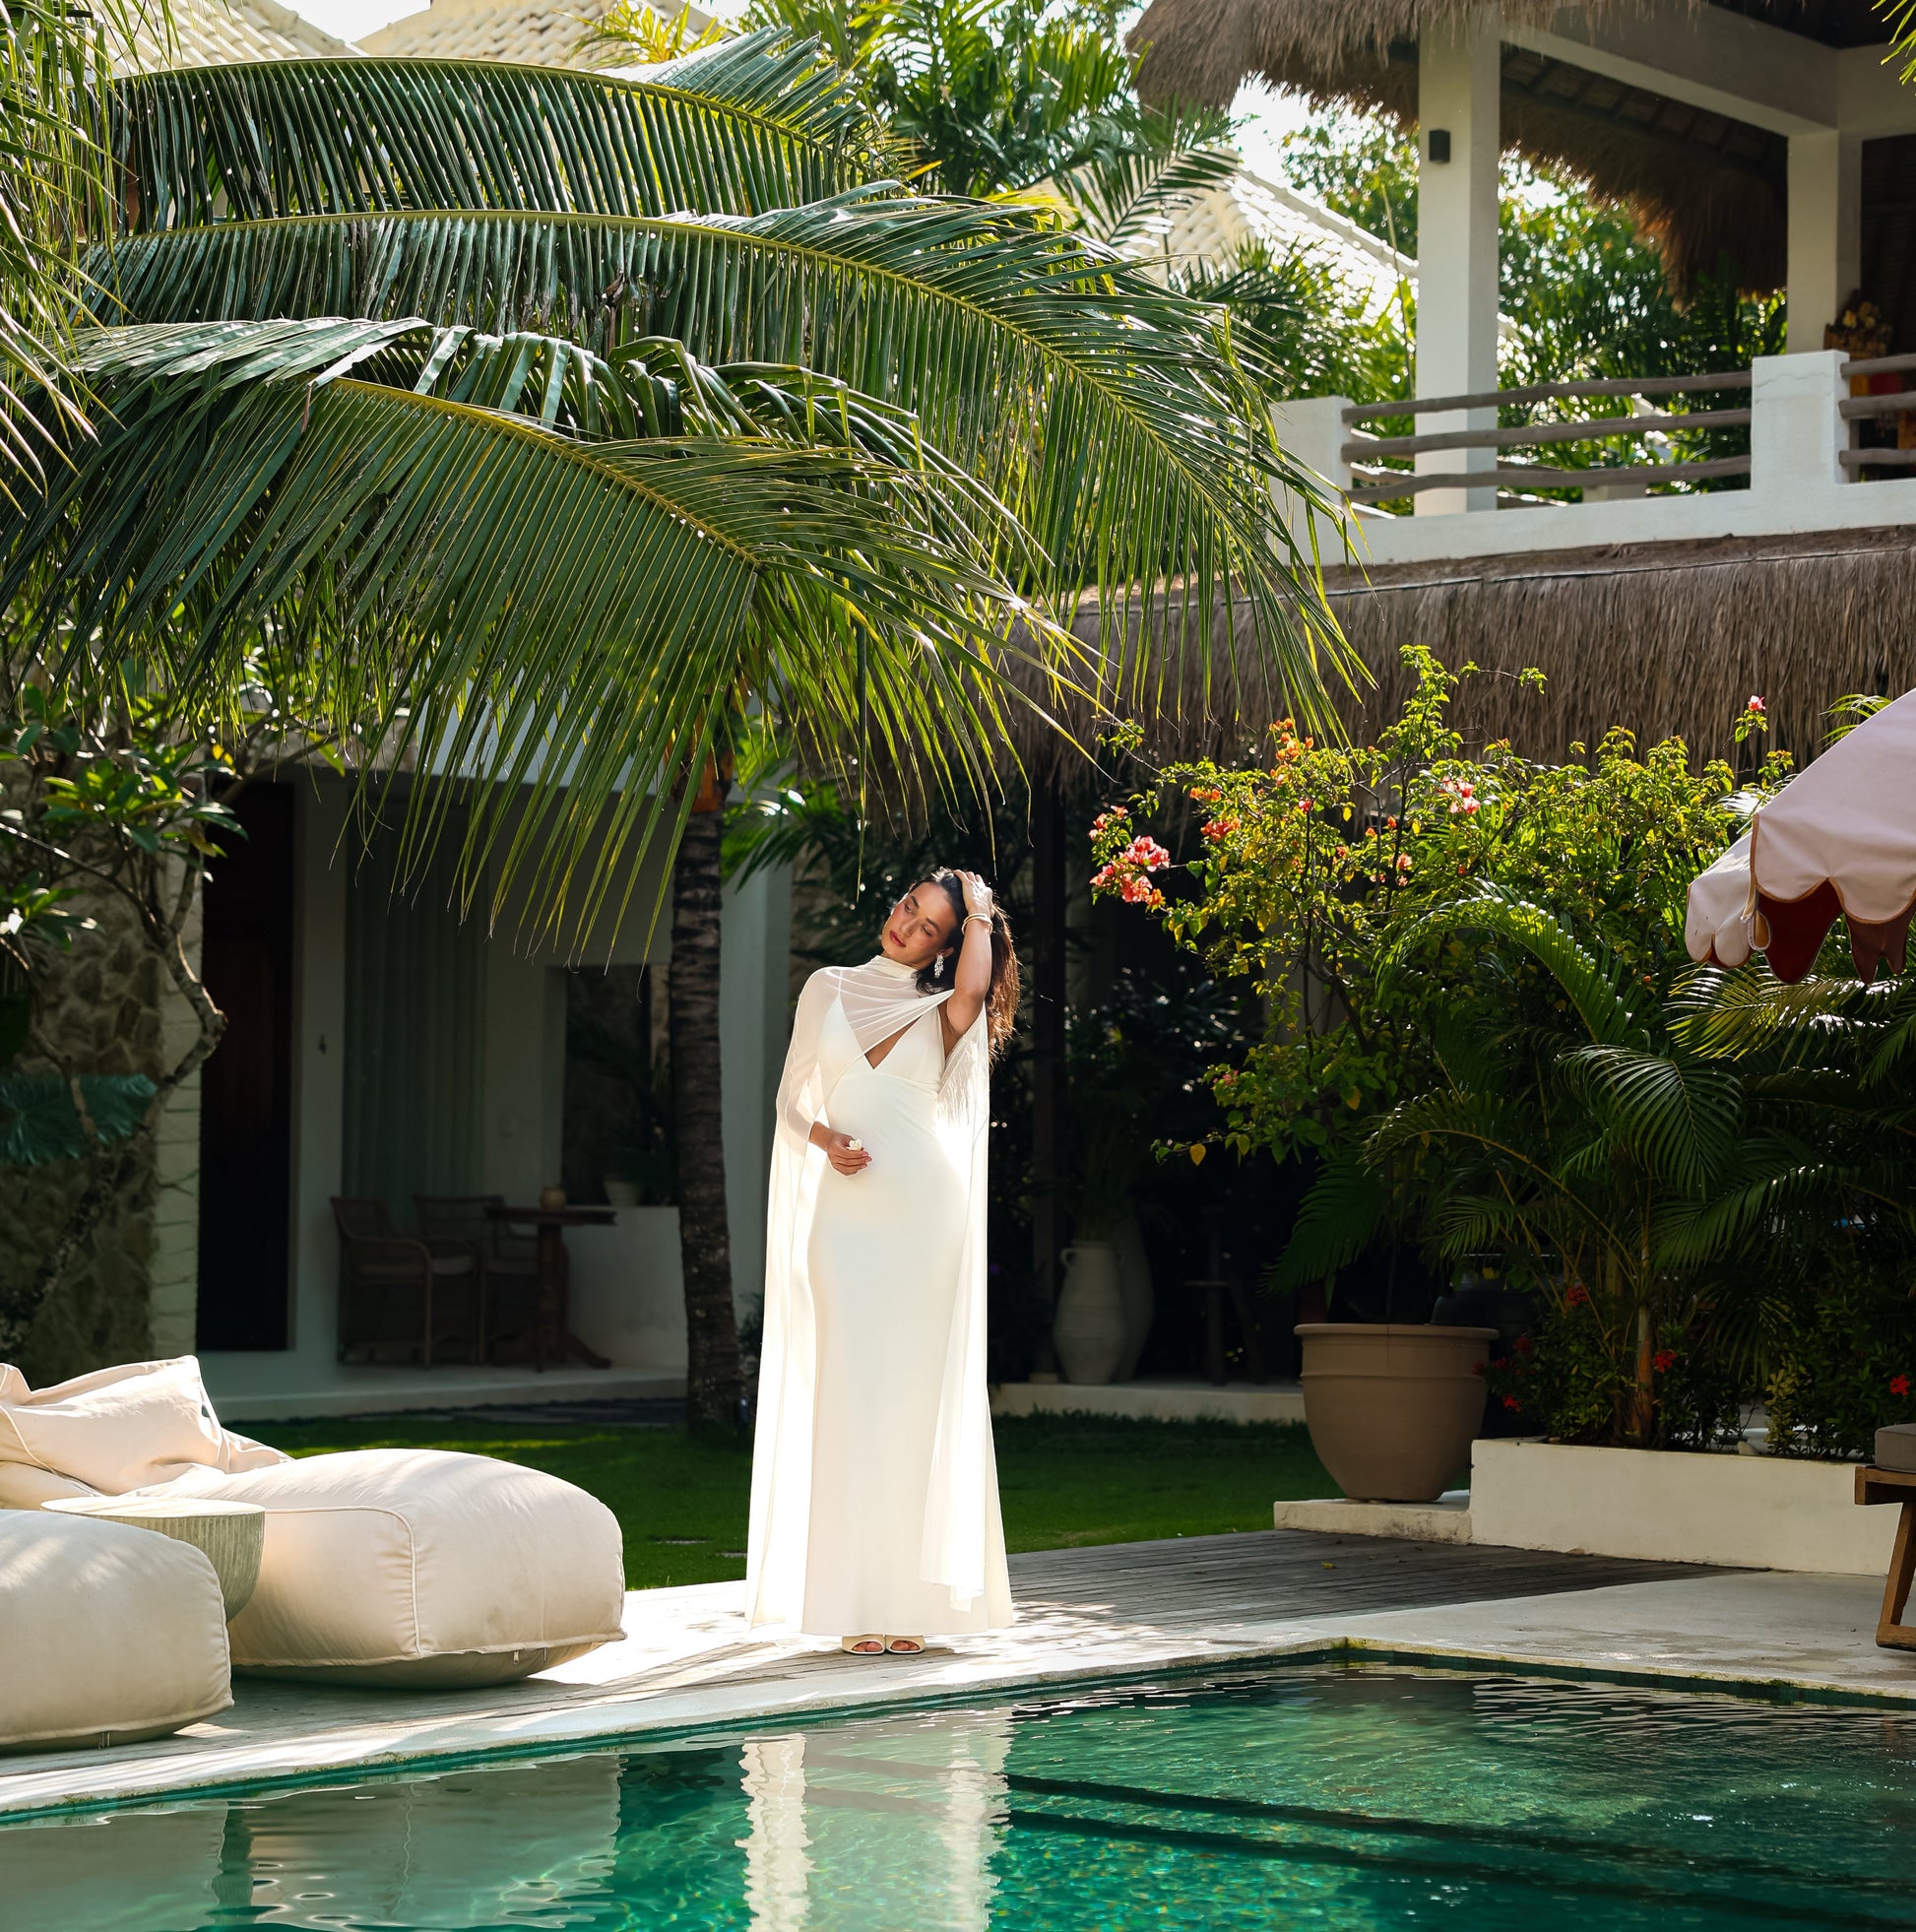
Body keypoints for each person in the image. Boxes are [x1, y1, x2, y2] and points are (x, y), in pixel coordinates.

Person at [746, 869, 1019, 1655]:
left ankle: (911, 1608)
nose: (907, 926)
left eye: (929, 926)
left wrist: (979, 910)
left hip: (923, 1222)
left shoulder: (945, 1007)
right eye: (909, 907)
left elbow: (978, 983)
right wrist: (825, 1138)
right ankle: (852, 1602)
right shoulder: (826, 988)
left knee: (913, 1405)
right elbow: (791, 1100)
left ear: (945, 946)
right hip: (844, 1223)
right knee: (849, 1397)